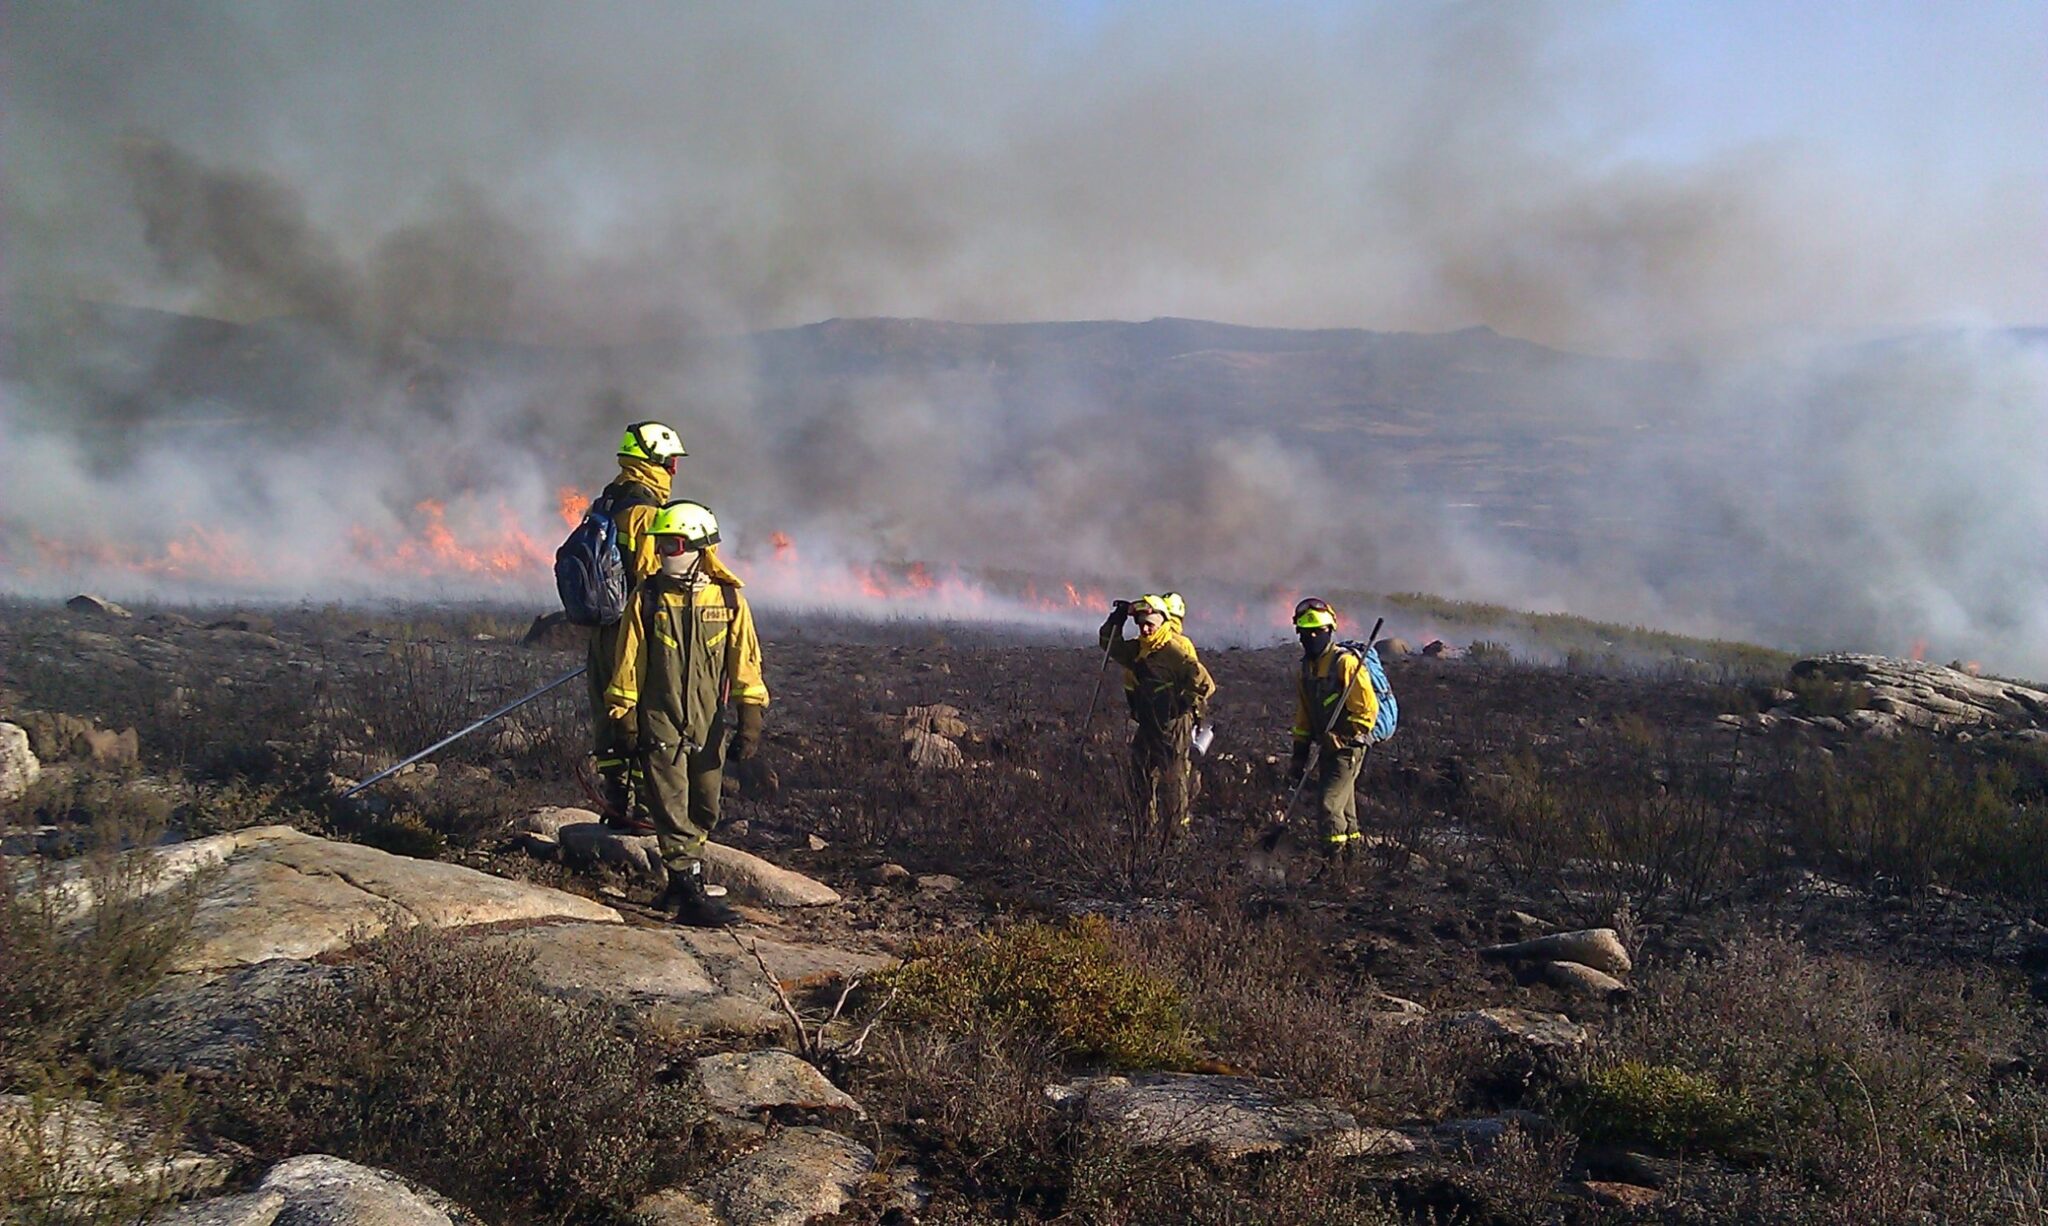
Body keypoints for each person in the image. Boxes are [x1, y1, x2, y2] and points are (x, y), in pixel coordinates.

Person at [603, 500, 768, 927]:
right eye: (659, 545)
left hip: (707, 719)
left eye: (672, 544)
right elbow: (628, 662)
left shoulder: (728, 599)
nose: (663, 553)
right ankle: (691, 891)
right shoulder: (648, 597)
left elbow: (745, 662)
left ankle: (677, 888)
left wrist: (750, 720)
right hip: (660, 717)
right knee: (671, 802)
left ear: (699, 548)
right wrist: (624, 717)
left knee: (705, 804)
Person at [586, 421, 687, 827]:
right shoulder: (647, 513)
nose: (675, 470)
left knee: (609, 715)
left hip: (602, 629)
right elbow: (650, 578)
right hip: (635, 632)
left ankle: (613, 806)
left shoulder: (605, 503)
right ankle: (647, 811)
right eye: (671, 462)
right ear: (655, 462)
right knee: (646, 716)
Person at [1099, 593, 1216, 843]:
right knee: (1139, 772)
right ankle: (1143, 831)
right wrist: (1116, 620)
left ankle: (1176, 836)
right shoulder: (1139, 648)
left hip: (1173, 725)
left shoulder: (1174, 648)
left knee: (1173, 779)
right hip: (1148, 721)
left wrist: (1182, 703)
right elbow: (1109, 644)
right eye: (1141, 623)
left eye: (1150, 622)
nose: (1146, 627)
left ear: (1163, 621)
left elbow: (1205, 684)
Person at [1290, 597, 1378, 859]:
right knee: (1345, 806)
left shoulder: (1345, 663)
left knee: (1329, 804)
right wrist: (1299, 753)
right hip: (1325, 745)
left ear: (1329, 631)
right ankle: (1353, 859)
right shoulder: (1307, 668)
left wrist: (1343, 736)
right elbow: (1304, 714)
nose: (1312, 637)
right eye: (1306, 633)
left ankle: (1334, 864)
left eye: (1317, 632)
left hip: (1348, 748)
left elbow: (1366, 711)